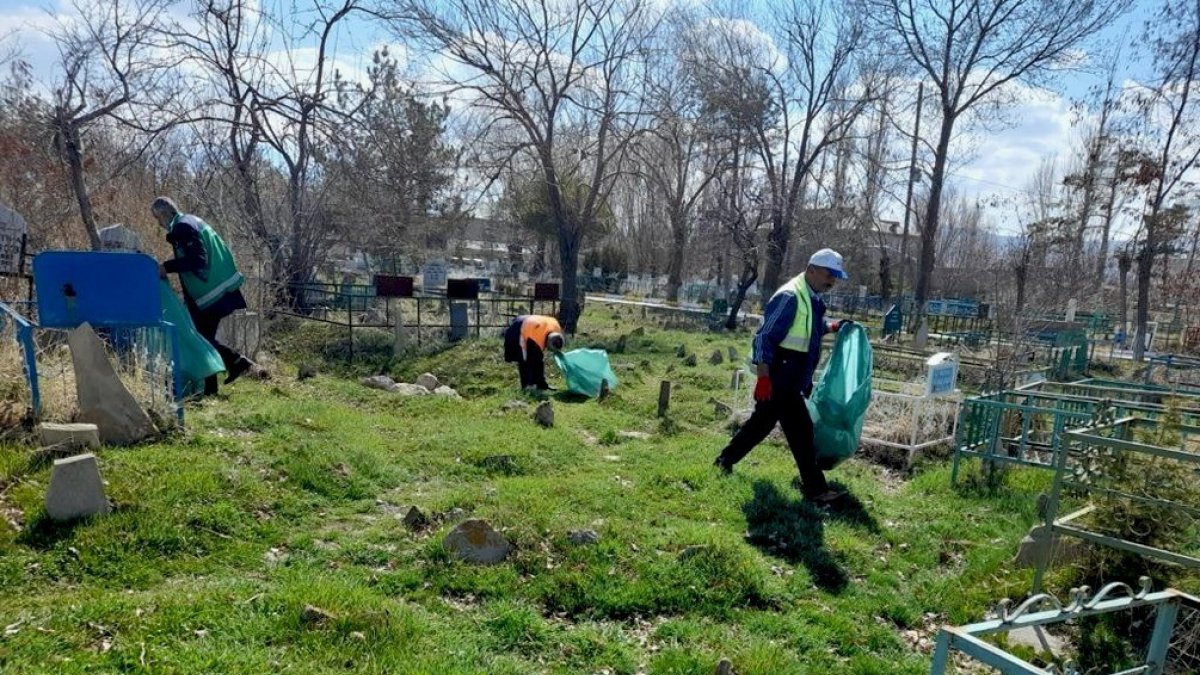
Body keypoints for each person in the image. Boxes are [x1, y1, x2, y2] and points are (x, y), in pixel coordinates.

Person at [713, 248, 853, 504]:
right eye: (828, 274)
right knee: (801, 431)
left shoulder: (809, 296)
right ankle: (816, 490)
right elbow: (765, 337)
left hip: (790, 372)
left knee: (762, 424)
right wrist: (765, 377)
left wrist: (831, 327)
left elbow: (807, 329)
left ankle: (724, 461)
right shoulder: (790, 296)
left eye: (836, 276)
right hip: (780, 371)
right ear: (811, 269)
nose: (832, 281)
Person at [152, 197, 254, 395]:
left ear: (164, 213)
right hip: (219, 286)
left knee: (200, 337)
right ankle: (220, 378)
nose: (158, 223)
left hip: (211, 291)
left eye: (157, 218)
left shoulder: (182, 227)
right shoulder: (190, 221)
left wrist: (167, 267)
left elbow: (197, 260)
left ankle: (234, 363)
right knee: (203, 336)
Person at [504, 314, 565, 390]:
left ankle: (541, 384)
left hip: (532, 324)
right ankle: (527, 386)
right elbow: (531, 357)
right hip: (518, 328)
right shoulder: (537, 337)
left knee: (538, 358)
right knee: (524, 359)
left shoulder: (556, 328)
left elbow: (539, 357)